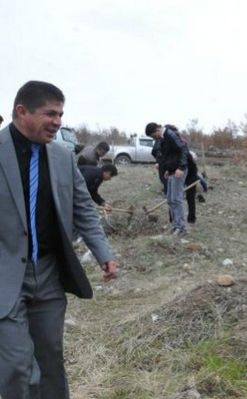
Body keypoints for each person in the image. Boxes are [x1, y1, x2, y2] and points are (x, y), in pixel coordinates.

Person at [0, 81, 118, 398]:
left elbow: (82, 208)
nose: (58, 122)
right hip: (6, 276)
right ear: (21, 112)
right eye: (50, 113)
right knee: (16, 365)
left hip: (49, 275)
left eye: (61, 114)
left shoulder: (63, 158)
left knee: (50, 360)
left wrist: (102, 252)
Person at [145, 122, 188, 236]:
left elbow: (183, 149)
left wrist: (181, 167)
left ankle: (181, 228)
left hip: (179, 171)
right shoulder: (163, 138)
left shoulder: (170, 135)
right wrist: (167, 170)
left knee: (176, 199)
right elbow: (169, 156)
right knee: (169, 198)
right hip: (171, 171)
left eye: (154, 136)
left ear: (157, 130)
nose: (155, 139)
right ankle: (175, 225)